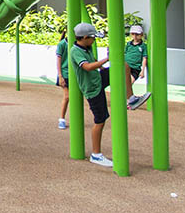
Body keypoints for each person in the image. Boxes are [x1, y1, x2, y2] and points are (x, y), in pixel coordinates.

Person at [70, 22, 114, 167]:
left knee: (123, 67)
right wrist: (106, 59)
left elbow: (94, 63)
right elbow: (87, 67)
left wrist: (105, 65)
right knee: (100, 120)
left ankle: (130, 97)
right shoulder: (75, 51)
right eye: (93, 38)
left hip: (98, 80)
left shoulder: (87, 48)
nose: (94, 40)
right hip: (92, 88)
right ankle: (96, 154)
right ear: (85, 37)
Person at [124, 25, 151, 109]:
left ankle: (130, 101)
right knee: (125, 83)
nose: (135, 37)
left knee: (129, 82)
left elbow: (144, 58)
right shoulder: (128, 44)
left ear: (141, 35)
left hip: (135, 68)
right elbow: (125, 53)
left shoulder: (143, 46)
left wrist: (142, 71)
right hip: (126, 67)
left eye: (137, 34)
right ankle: (129, 101)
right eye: (133, 34)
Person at [55, 29, 70, 129]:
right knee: (67, 96)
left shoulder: (77, 43)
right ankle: (62, 119)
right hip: (65, 74)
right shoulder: (62, 44)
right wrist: (60, 75)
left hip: (74, 75)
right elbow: (59, 60)